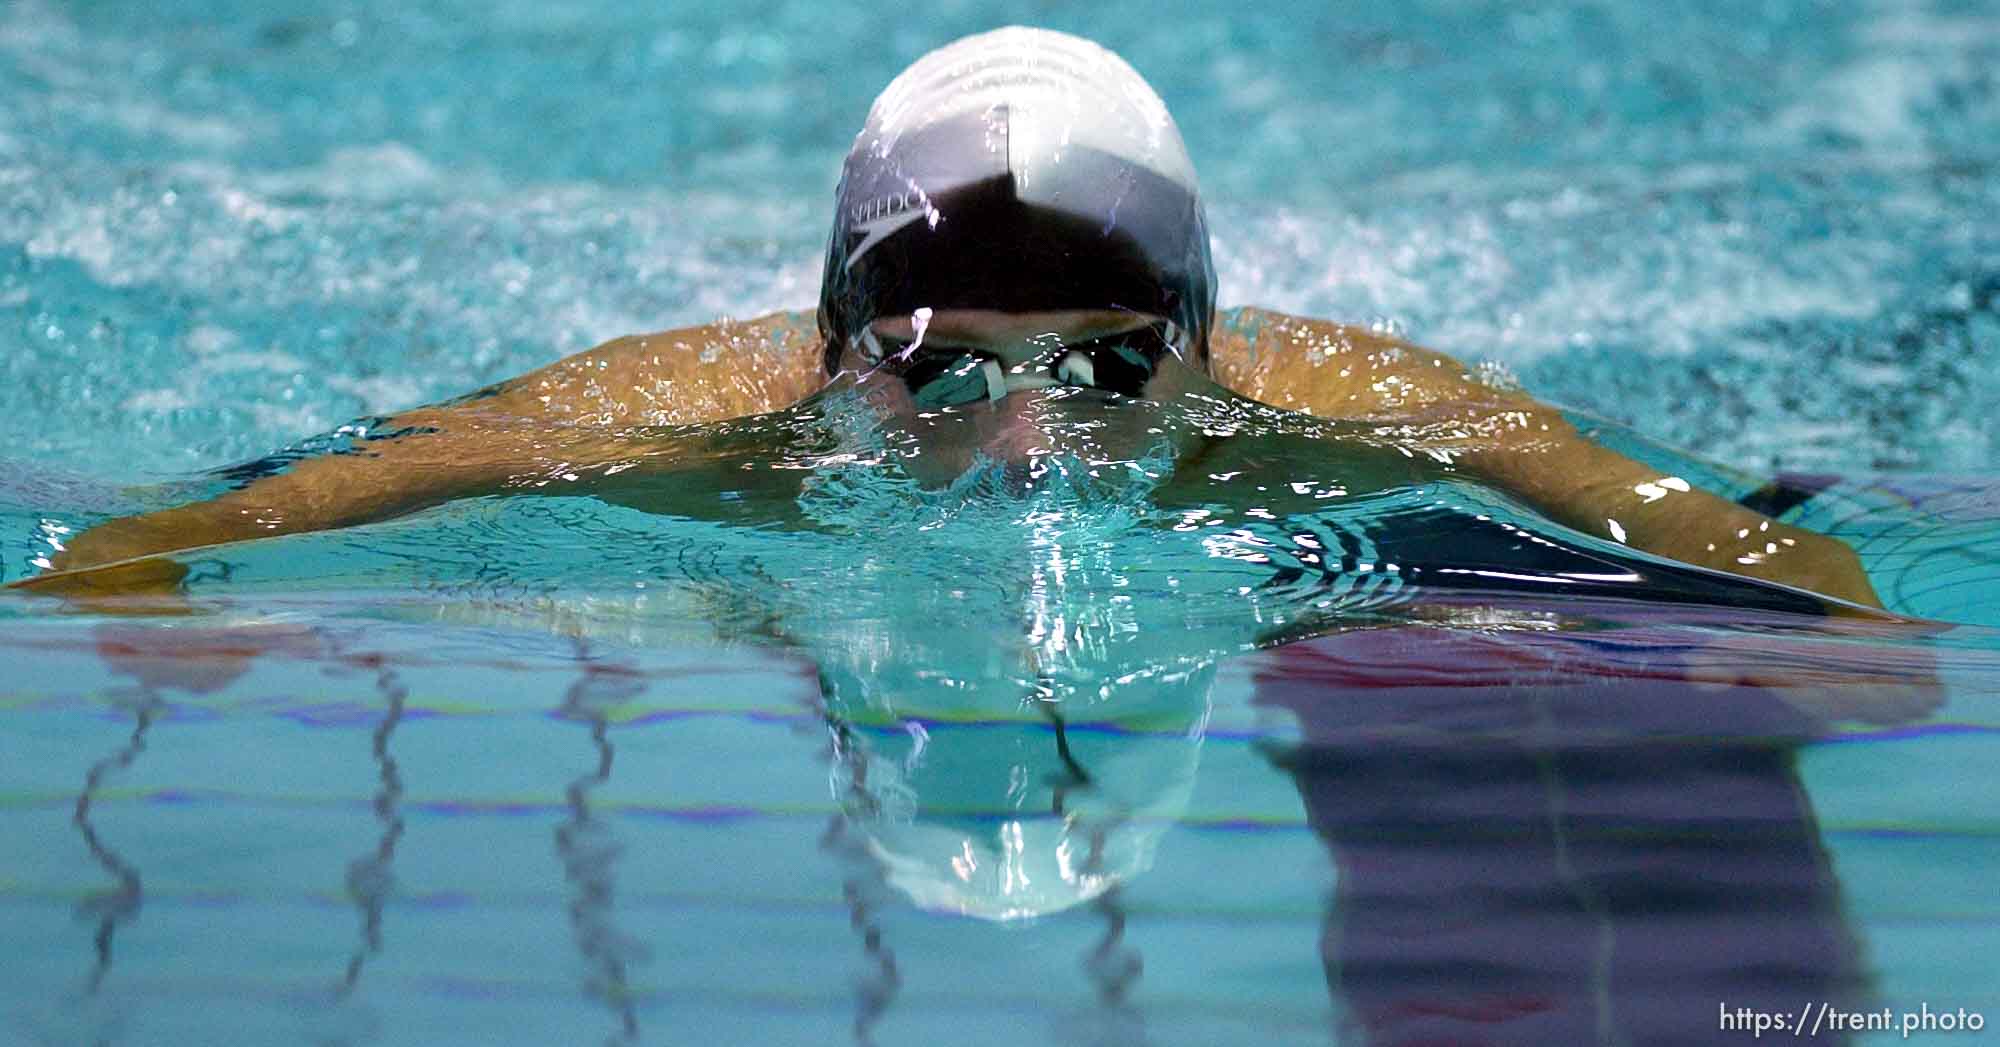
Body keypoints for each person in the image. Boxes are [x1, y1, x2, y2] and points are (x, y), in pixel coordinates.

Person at [13, 26, 1885, 612]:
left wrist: (1820, 635)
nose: (1023, 453)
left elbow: (1755, 546)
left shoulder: (1362, 411)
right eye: (932, 367)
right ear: (834, 352)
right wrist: (143, 592)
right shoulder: (680, 422)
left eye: (1103, 367)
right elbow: (224, 518)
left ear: (1206, 352)